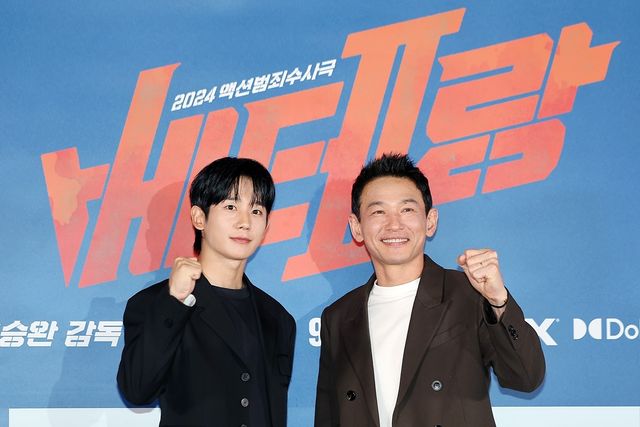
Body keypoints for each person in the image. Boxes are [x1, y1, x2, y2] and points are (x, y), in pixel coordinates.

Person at [314, 153, 545, 427]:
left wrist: (497, 301)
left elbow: (526, 377)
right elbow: (328, 416)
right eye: (378, 212)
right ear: (357, 227)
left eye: (407, 210)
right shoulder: (339, 317)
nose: (394, 224)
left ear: (430, 221)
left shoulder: (468, 295)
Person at [117, 157, 296, 427]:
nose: (245, 222)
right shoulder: (157, 304)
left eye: (256, 211)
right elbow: (137, 389)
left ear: (267, 225)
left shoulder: (278, 318)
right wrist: (175, 302)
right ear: (199, 218)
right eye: (231, 207)